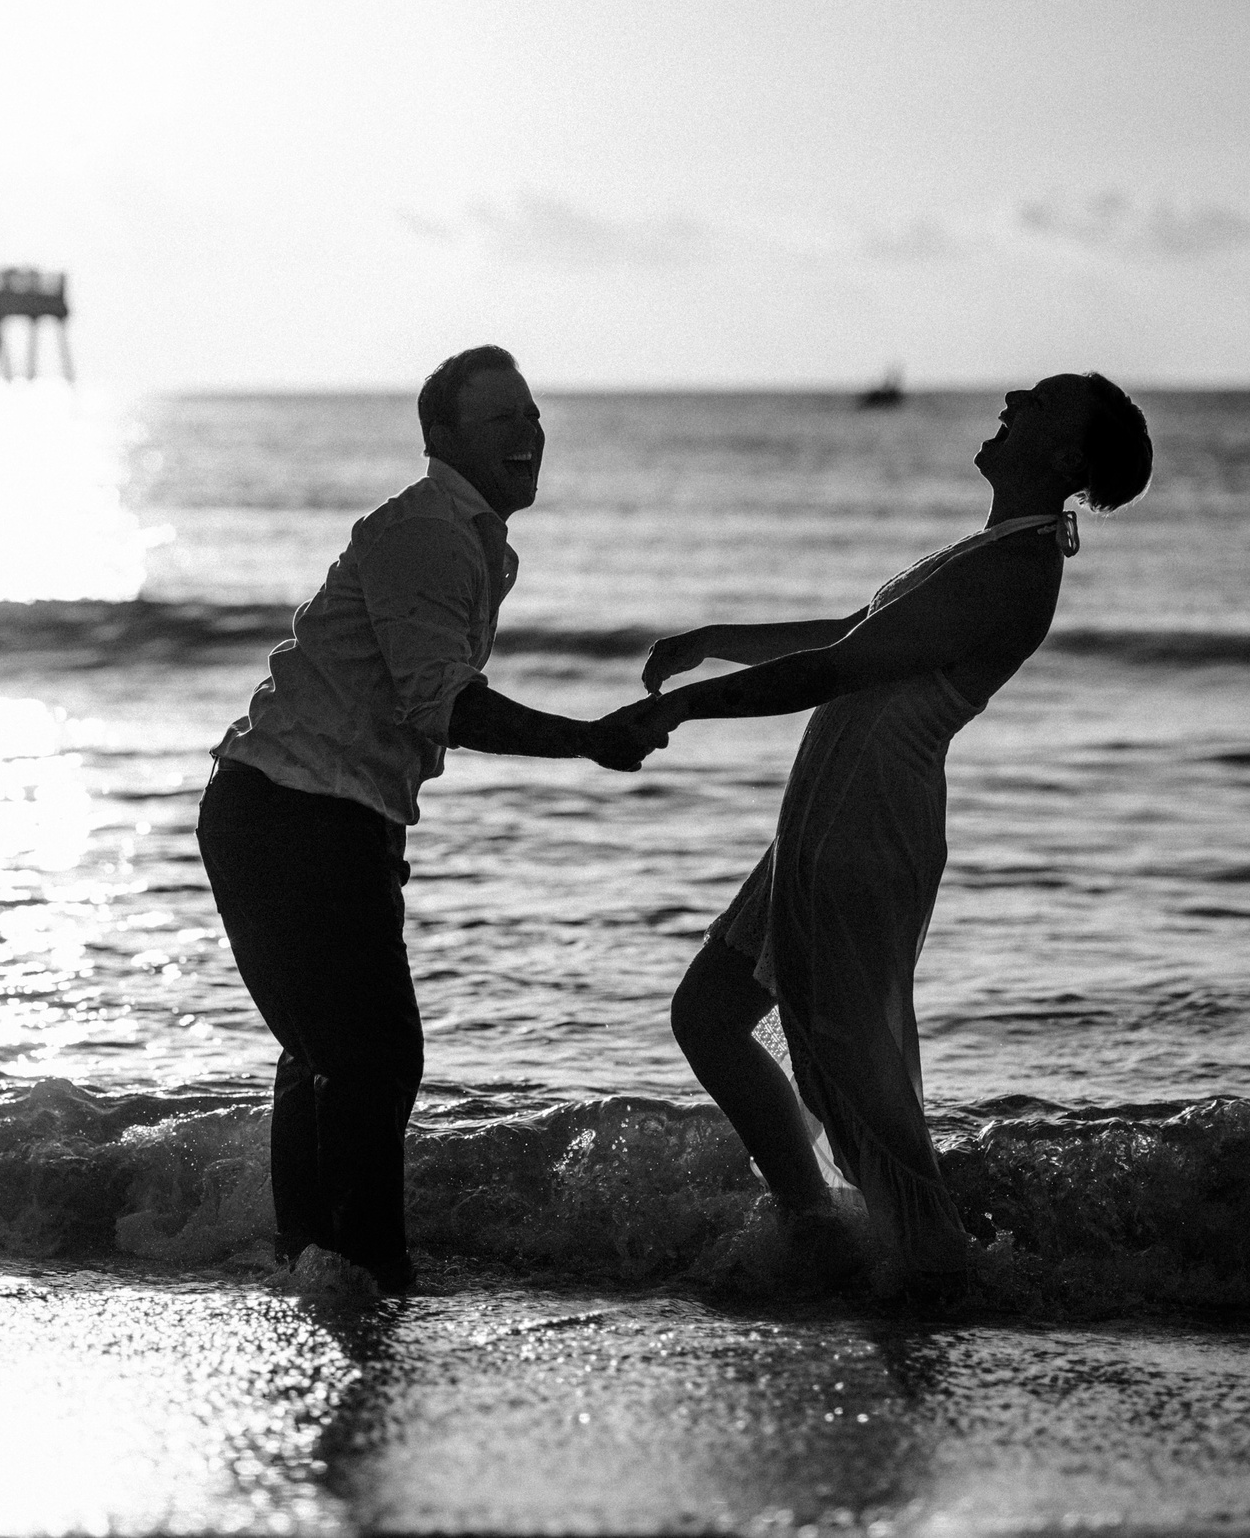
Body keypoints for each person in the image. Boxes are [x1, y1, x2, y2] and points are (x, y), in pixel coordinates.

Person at [637, 372, 1152, 1289]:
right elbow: (851, 632)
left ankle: (933, 1280)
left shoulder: (1014, 568)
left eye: (1039, 400)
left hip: (866, 829)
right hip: (830, 808)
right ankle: (814, 1226)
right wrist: (714, 637)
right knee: (711, 1015)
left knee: (854, 1083)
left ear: (1068, 455)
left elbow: (831, 671)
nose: (1013, 397)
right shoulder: (991, 546)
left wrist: (678, 712)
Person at [198, 344, 666, 1295]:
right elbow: (441, 704)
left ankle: (318, 1261)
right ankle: (364, 1269)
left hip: (315, 809)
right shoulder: (430, 534)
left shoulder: (472, 539)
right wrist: (588, 740)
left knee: (334, 1055)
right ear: (443, 439)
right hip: (292, 809)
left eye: (534, 418)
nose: (530, 437)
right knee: (376, 1061)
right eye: (506, 424)